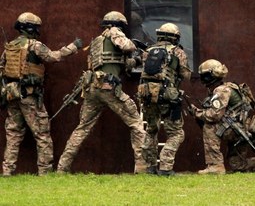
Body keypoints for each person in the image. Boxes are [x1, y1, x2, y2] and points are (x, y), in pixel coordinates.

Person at [57, 11, 147, 173]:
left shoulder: (98, 41)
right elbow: (126, 46)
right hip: (109, 88)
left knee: (82, 128)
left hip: (93, 89)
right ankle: (142, 168)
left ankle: (62, 168)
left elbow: (116, 63)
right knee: (136, 123)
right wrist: (135, 46)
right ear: (117, 25)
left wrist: (136, 60)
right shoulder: (115, 32)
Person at [0, 12, 82, 176]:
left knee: (13, 134)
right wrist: (73, 47)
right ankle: (45, 172)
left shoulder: (10, 47)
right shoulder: (34, 45)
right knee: (42, 134)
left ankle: (7, 171)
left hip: (12, 96)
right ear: (30, 28)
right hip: (29, 96)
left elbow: (2, 69)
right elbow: (53, 56)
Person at [189, 59, 255, 174]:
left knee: (209, 127)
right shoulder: (230, 87)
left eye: (204, 76)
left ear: (211, 75)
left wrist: (197, 113)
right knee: (237, 165)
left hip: (235, 130)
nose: (203, 80)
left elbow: (214, 115)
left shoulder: (221, 90)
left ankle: (215, 166)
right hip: (241, 129)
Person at [138, 23, 192, 176]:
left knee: (151, 129)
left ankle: (150, 166)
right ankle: (166, 167)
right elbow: (185, 75)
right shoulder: (177, 52)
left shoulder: (147, 51)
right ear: (175, 37)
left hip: (147, 95)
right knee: (176, 133)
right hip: (167, 96)